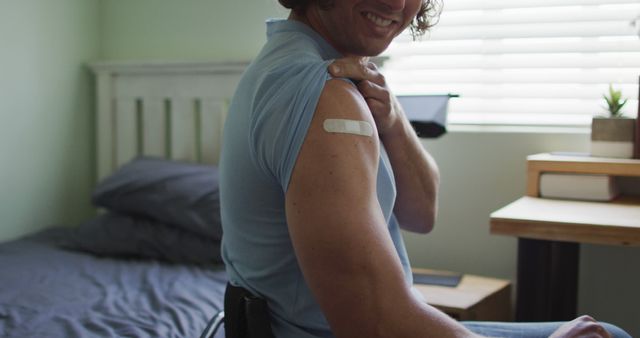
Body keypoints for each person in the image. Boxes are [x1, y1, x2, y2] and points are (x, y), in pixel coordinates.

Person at [218, 0, 631, 337]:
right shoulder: (323, 94)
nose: (396, 2)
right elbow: (374, 324)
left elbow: (422, 213)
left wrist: (394, 117)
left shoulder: (295, 65)